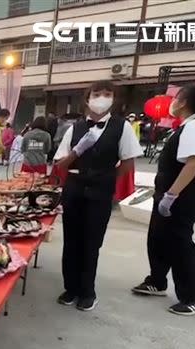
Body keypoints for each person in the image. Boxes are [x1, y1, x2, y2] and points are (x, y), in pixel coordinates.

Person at [131, 86, 195, 316]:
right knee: (159, 238)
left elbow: (194, 162)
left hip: (181, 196)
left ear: (185, 102)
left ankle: (194, 297)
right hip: (169, 192)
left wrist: (172, 194)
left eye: (177, 98)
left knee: (180, 244)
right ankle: (157, 280)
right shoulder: (186, 125)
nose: (174, 102)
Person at [53, 80, 142, 311]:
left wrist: (107, 178)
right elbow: (61, 164)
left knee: (91, 243)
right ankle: (70, 288)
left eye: (107, 94)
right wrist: (78, 150)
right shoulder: (75, 128)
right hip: (74, 188)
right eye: (97, 93)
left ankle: (87, 291)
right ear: (87, 98)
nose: (101, 98)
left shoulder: (121, 127)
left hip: (100, 191)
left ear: (114, 99)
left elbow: (128, 161)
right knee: (71, 241)